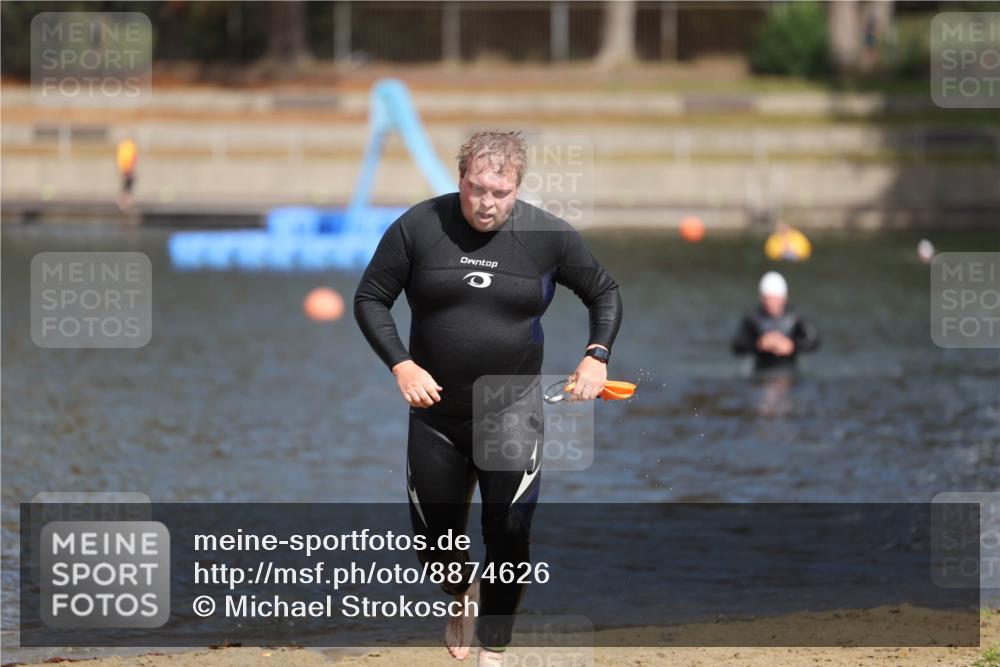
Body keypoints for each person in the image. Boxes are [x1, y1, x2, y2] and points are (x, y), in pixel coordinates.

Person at [354, 131, 622, 666]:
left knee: (510, 533)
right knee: (434, 549)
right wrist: (401, 364)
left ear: (517, 187)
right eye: (476, 188)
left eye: (500, 192)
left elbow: (604, 292)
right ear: (460, 179)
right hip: (436, 415)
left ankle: (493, 650)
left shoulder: (547, 236)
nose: (486, 203)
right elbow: (370, 298)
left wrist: (596, 355)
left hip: (512, 409)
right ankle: (462, 592)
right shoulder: (418, 227)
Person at [732, 271, 819, 373]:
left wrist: (792, 345)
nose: (771, 303)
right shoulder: (753, 318)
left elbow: (814, 341)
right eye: (768, 299)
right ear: (762, 299)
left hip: (789, 371)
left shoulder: (795, 317)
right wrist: (758, 344)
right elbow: (737, 345)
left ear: (783, 298)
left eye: (775, 299)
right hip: (761, 371)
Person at [116, 137, 137, 211]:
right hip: (127, 169)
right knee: (127, 187)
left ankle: (124, 202)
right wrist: (128, 170)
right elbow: (130, 159)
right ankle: (124, 202)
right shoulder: (129, 147)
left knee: (127, 187)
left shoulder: (126, 147)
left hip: (127, 169)